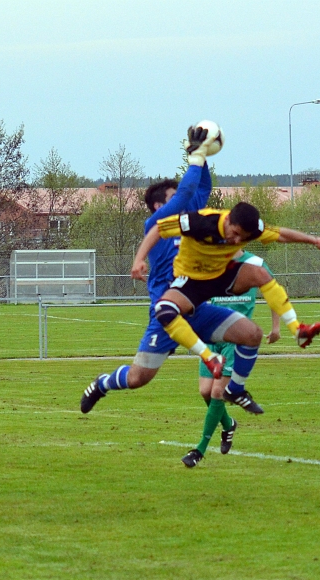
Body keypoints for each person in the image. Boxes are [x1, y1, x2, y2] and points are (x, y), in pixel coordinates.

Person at [79, 126, 265, 415]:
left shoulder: (188, 219)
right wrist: (195, 154)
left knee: (251, 333)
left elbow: (201, 188)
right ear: (157, 206)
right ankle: (101, 384)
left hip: (197, 308)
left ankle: (236, 390)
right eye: (172, 196)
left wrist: (202, 158)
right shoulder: (157, 221)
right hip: (167, 314)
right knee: (138, 378)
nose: (180, 198)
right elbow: (189, 190)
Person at [130, 202, 320, 414]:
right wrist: (139, 259)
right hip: (191, 281)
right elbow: (158, 229)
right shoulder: (202, 221)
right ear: (228, 219)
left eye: (244, 237)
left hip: (220, 276)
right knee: (164, 309)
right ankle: (209, 357)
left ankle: (297, 330)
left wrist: (314, 240)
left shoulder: (251, 229)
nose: (238, 241)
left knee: (261, 274)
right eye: (236, 233)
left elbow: (280, 234)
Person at [181, 250, 280, 468]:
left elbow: (274, 293)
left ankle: (199, 450)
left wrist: (276, 327)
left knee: (218, 392)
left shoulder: (255, 264)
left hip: (236, 339)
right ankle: (228, 423)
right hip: (212, 336)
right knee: (205, 391)